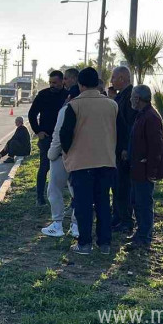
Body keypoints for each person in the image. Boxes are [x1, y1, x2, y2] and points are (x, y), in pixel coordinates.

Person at [59, 67, 118, 255]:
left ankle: (84, 243)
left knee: (83, 205)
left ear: (80, 84)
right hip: (106, 161)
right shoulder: (111, 105)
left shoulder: (74, 105)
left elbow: (65, 135)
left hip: (82, 163)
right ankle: (105, 243)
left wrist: (68, 154)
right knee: (103, 203)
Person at [126, 85, 163, 250]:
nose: (130, 99)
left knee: (144, 203)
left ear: (138, 98)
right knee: (137, 202)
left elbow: (156, 146)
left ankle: (144, 237)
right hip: (137, 168)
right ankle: (140, 233)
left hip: (144, 170)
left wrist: (152, 171)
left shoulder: (151, 117)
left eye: (132, 96)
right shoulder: (142, 115)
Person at [27, 70, 67, 206]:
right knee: (44, 167)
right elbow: (32, 114)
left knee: (67, 168)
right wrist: (38, 131)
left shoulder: (68, 96)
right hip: (47, 138)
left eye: (55, 83)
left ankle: (65, 199)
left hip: (64, 138)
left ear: (62, 81)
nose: (52, 85)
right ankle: (40, 197)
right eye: (50, 82)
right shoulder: (43, 95)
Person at [44, 96, 79, 239]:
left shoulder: (66, 109)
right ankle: (76, 225)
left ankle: (57, 224)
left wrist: (52, 154)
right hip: (80, 157)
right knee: (78, 191)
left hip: (61, 156)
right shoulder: (90, 109)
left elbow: (58, 135)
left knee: (54, 189)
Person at [110, 66, 137, 234]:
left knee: (123, 187)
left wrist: (126, 148)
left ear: (122, 78)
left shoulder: (129, 97)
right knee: (117, 186)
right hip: (118, 149)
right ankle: (118, 216)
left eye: (114, 77)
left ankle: (126, 221)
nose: (111, 81)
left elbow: (129, 126)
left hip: (124, 151)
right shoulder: (121, 96)